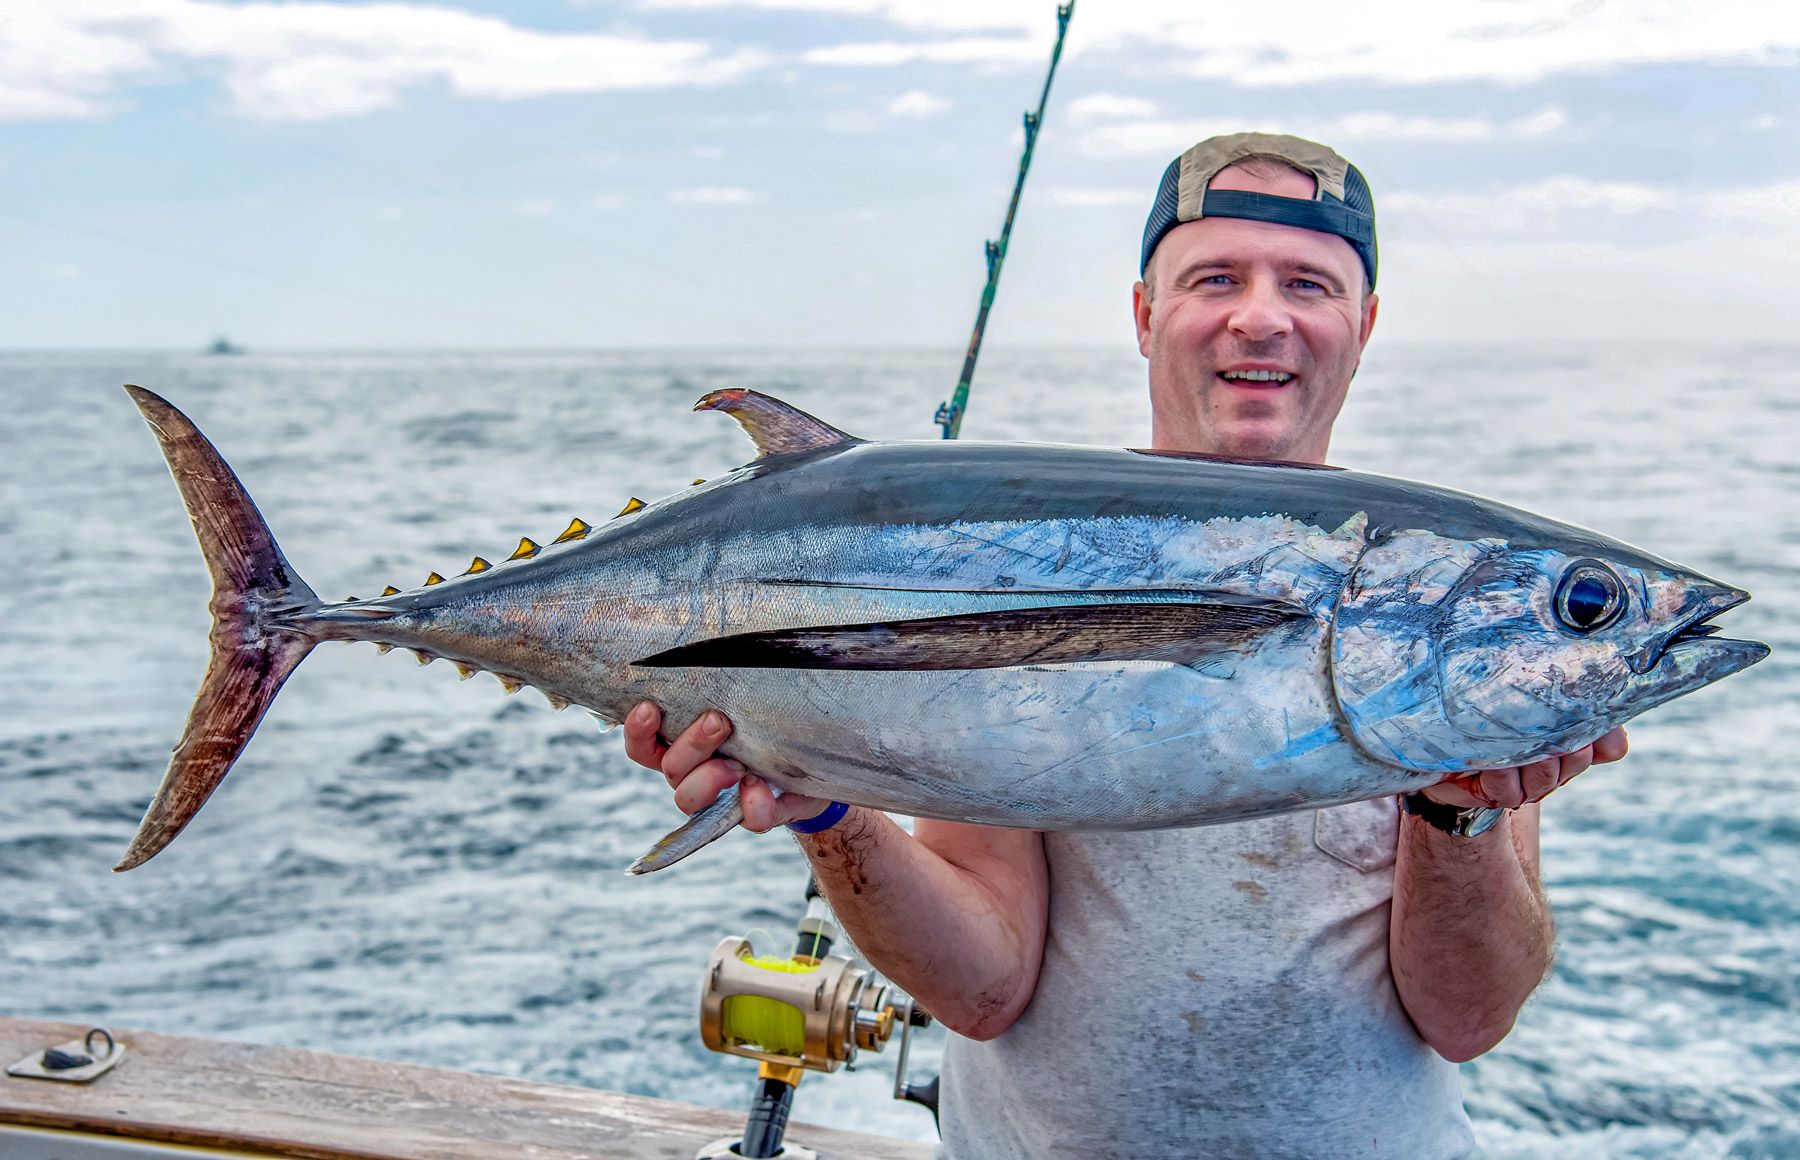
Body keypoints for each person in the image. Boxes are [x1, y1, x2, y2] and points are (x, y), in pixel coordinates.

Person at [624, 132, 1628, 1157]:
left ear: (1362, 326)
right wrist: (829, 804)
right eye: (1216, 277)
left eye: (1310, 283)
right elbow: (986, 983)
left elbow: (1464, 1018)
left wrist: (1459, 818)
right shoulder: (1025, 553)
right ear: (1146, 313)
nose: (1262, 315)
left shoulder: (1433, 592)